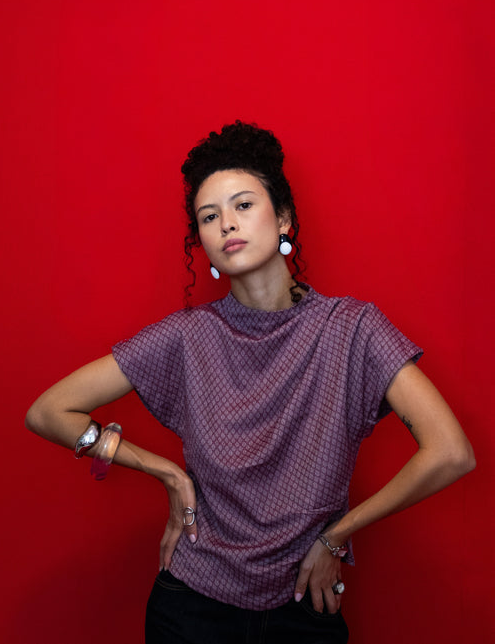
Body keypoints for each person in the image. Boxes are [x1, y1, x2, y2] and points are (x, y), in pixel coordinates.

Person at [25, 121, 476, 644]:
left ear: (283, 218)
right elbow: (47, 412)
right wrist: (165, 471)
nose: (226, 224)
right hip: (191, 608)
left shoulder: (353, 329)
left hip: (302, 609)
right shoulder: (187, 336)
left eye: (243, 205)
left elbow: (451, 452)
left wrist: (336, 537)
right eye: (209, 216)